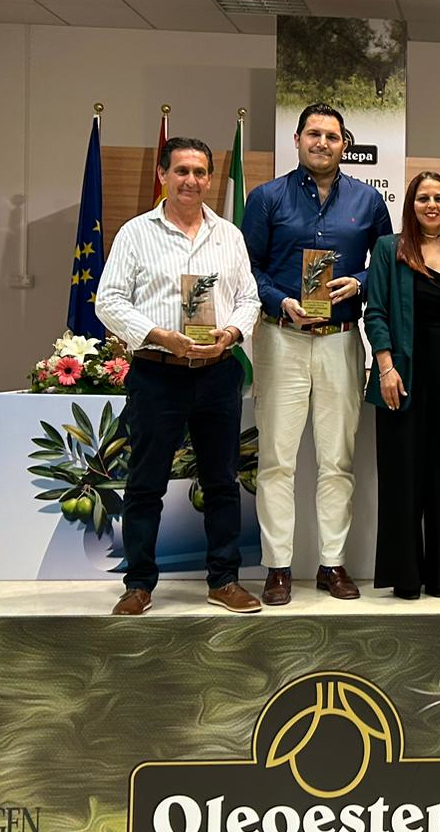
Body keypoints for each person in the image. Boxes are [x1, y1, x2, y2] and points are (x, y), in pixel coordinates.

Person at [95, 137, 261, 615]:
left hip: (216, 374)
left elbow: (249, 298)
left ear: (211, 178)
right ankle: (139, 584)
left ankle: (224, 580)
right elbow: (108, 300)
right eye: (182, 170)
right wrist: (158, 335)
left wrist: (231, 333)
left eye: (200, 172)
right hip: (157, 374)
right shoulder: (135, 232)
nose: (192, 180)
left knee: (223, 481)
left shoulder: (229, 235)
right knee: (146, 483)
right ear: (164, 175)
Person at [242, 102, 393, 605]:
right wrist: (281, 300)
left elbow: (388, 264)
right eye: (313, 134)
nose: (322, 143)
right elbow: (249, 269)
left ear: (344, 144)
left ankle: (332, 564)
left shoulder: (368, 202)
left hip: (340, 340)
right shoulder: (266, 199)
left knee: (337, 460)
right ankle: (278, 568)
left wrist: (363, 281)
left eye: (331, 136)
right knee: (278, 460)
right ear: (298, 140)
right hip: (281, 336)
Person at [364, 171, 440, 599]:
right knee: (403, 475)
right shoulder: (388, 249)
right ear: (410, 205)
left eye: (438, 198)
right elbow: (374, 311)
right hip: (403, 378)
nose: (431, 205)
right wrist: (385, 366)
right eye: (422, 198)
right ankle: (406, 576)